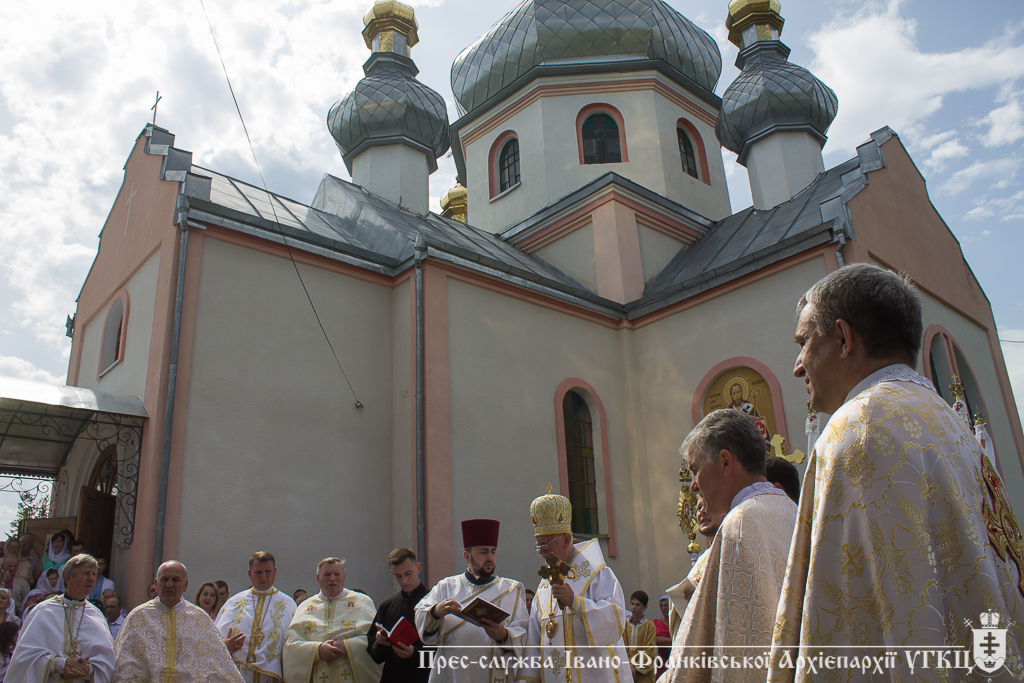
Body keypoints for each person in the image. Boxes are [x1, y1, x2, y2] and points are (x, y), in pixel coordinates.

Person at [769, 264, 1024, 681]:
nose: (798, 366)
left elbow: (846, 622)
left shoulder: (858, 429)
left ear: (843, 339)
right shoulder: (951, 424)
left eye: (804, 342)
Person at [663, 409, 797, 683]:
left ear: (725, 462)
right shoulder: (793, 512)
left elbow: (737, 658)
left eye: (695, 470)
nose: (693, 486)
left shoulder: (740, 525)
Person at [519, 489, 630, 683]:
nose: (541, 551)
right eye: (538, 545)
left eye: (546, 544)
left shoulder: (598, 574)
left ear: (566, 539)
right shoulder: (543, 587)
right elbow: (534, 642)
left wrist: (576, 603)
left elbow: (615, 620)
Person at [416, 519, 528, 683]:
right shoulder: (446, 587)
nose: (490, 557)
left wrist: (503, 635)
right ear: (466, 556)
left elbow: (524, 635)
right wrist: (435, 612)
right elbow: (421, 618)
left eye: (493, 551)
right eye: (483, 552)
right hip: (453, 674)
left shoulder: (511, 590)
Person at [112, 560, 242, 682]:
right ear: (156, 584)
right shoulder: (137, 617)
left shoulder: (200, 619)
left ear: (185, 585)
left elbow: (219, 666)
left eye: (176, 580)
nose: (169, 585)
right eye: (164, 579)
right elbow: (124, 666)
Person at [6, 554, 115, 682]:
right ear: (68, 578)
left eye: (94, 574)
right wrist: (61, 664)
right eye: (86, 573)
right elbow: (25, 658)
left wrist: (86, 669)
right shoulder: (43, 611)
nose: (91, 579)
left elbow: (107, 661)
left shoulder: (96, 615)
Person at [283, 558, 380, 683]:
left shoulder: (363, 602)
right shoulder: (305, 607)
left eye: (336, 574)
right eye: (327, 574)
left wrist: (348, 646)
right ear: (318, 578)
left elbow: (376, 640)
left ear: (344, 577)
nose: (332, 579)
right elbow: (291, 645)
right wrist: (317, 650)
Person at [215, 551, 296, 682]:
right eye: (258, 572)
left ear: (275, 571)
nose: (263, 577)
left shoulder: (288, 604)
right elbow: (214, 640)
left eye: (267, 571)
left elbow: (295, 643)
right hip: (238, 676)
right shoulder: (234, 603)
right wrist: (224, 646)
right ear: (249, 574)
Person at [367, 547, 430, 683]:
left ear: (418, 568)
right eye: (398, 576)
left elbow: (446, 652)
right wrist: (380, 643)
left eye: (408, 574)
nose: (404, 581)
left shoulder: (434, 603)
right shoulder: (387, 606)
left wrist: (414, 654)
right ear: (392, 573)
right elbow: (375, 656)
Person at [623, 590, 655, 683]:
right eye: (632, 603)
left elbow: (650, 650)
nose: (634, 607)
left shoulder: (649, 625)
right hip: (628, 670)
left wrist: (636, 667)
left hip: (644, 672)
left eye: (637, 605)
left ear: (645, 607)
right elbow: (622, 647)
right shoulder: (624, 625)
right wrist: (629, 666)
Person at [652, 595, 671, 679]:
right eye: (661, 606)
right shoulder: (657, 623)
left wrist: (665, 641)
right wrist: (674, 640)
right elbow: (657, 640)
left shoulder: (678, 622)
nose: (663, 608)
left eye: (666, 605)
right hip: (662, 662)